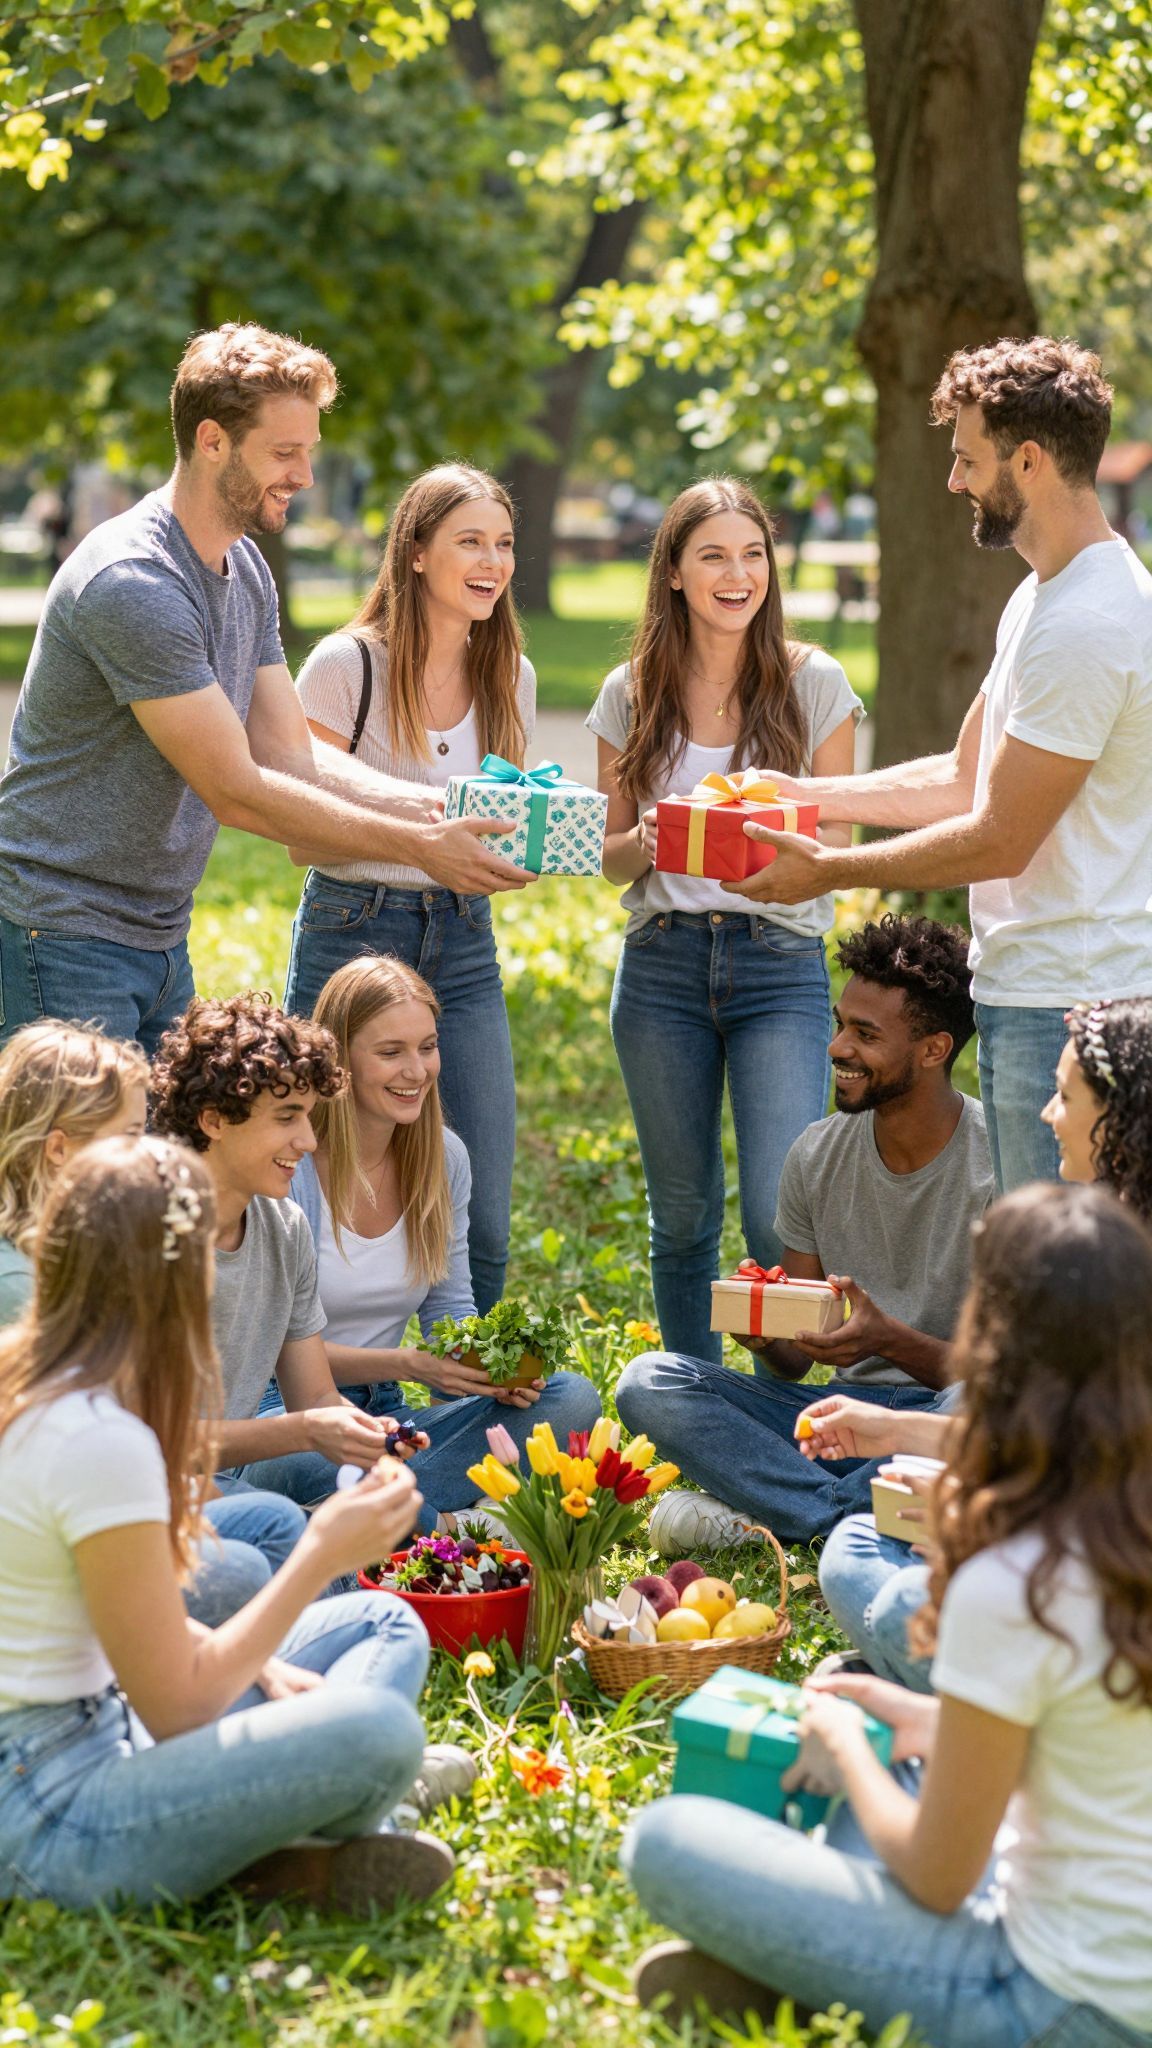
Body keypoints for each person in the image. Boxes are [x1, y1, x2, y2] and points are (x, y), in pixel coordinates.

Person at [626, 1183, 1152, 2048]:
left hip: (1046, 2001)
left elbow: (939, 1879)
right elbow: (1091, 1744)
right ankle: (806, 1964)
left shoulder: (1016, 1575)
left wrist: (840, 1749)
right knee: (893, 1755)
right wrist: (918, 1717)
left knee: (669, 1841)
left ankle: (808, 1975)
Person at [0, 325, 530, 1054]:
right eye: (285, 453)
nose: (305, 475)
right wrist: (420, 846)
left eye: (308, 450)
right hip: (62, 931)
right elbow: (238, 791)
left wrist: (438, 805)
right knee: (77, 1166)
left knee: (170, 1165)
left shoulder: (244, 570)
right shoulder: (135, 583)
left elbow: (292, 754)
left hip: (157, 932)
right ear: (212, 440)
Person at [726, 337, 1152, 1196]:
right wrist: (801, 793)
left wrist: (831, 869)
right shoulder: (1043, 595)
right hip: (1028, 988)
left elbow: (999, 838)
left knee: (1066, 1283)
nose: (954, 482)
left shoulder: (1090, 622)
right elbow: (966, 779)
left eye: (968, 459)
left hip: (1073, 999)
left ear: (1027, 461)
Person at [0, 1133, 454, 1913]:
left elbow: (116, 1628)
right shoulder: (102, 1439)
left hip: (97, 1723)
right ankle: (288, 1845)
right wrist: (319, 1551)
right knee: (380, 1736)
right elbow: (177, 1706)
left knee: (380, 1620)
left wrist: (255, 1663)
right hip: (54, 1810)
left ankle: (270, 1840)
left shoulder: (41, 1381)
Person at [587, 477, 863, 1358]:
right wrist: (666, 838)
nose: (736, 574)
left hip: (778, 963)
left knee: (773, 1215)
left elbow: (843, 832)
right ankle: (696, 1410)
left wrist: (752, 833)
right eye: (712, 555)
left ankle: (773, 1419)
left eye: (752, 555)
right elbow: (610, 855)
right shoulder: (629, 692)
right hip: (663, 965)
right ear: (673, 572)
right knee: (682, 1215)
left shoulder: (812, 681)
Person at [616, 915, 993, 1549]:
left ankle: (795, 1515)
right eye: (841, 1023)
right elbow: (794, 1364)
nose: (837, 1047)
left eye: (865, 1034)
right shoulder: (816, 1155)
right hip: (837, 1422)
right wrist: (764, 1336)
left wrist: (893, 1342)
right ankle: (854, 1518)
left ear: (934, 1049)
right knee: (649, 1382)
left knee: (986, 1410)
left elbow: (1003, 1381)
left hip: (937, 1423)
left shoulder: (997, 1167)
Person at [815, 992, 1152, 1691]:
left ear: (1119, 1121)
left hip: (1107, 1580)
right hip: (1060, 1546)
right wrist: (887, 1429)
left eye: (1064, 1097)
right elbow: (1047, 1437)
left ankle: (953, 1686)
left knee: (904, 1591)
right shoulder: (1087, 1239)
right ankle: (944, 1671)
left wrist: (987, 1516)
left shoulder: (1113, 1268)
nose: (1046, 1115)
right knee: (854, 1544)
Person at [282, 464, 536, 1310]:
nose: (492, 562)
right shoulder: (345, 666)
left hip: (463, 943)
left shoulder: (512, 678)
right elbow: (296, 830)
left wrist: (521, 851)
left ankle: (481, 1389)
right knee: (306, 1185)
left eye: (503, 544)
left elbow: (502, 823)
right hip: (353, 930)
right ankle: (304, 1382)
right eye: (470, 541)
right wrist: (419, 844)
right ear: (416, 553)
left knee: (488, 1210)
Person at [0, 1021, 305, 1629]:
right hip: (65, 1540)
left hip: (128, 1489)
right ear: (58, 1148)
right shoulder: (21, 1287)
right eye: (131, 1137)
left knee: (277, 1524)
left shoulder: (87, 1246)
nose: (150, 1156)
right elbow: (96, 1460)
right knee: (252, 1564)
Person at [288, 954, 600, 1526]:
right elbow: (276, 1355)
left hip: (387, 1415)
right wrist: (412, 1363)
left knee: (571, 1399)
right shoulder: (293, 1168)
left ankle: (382, 1513)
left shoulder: (443, 1157)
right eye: (391, 1052)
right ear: (339, 1060)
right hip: (290, 1416)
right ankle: (446, 1524)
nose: (417, 1071)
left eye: (427, 1047)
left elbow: (450, 1313)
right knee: (310, 1467)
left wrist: (485, 1373)